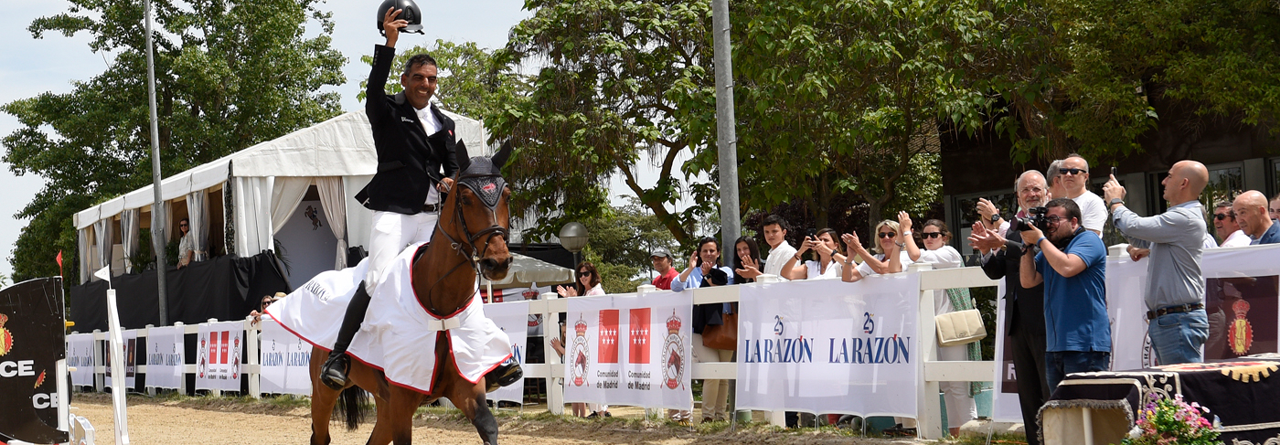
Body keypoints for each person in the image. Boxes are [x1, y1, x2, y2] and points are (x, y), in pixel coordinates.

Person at [320, 8, 519, 391]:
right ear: (406, 80)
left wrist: (450, 179)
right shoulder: (387, 110)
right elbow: (373, 88)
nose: (425, 85)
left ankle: (491, 360)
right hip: (395, 213)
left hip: (432, 218)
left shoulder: (445, 124)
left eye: (431, 79)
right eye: (418, 78)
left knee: (464, 281)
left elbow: (450, 165)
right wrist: (389, 43)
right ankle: (339, 356)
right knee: (378, 279)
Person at [969, 170, 1050, 445]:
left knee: (1050, 390)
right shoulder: (1014, 226)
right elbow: (997, 272)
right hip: (1017, 321)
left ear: (1047, 192)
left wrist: (1000, 235)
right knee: (1028, 395)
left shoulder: (1052, 221)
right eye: (1026, 190)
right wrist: (986, 250)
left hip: (1046, 318)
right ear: (1018, 196)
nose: (1032, 194)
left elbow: (1040, 252)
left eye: (1037, 189)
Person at [1104, 160, 1209, 365]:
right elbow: (1139, 235)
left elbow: (1134, 226)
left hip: (1177, 319)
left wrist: (1116, 202)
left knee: (1182, 389)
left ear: (1183, 183)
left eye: (1169, 176)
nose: (1163, 181)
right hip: (1173, 319)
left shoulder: (1184, 217)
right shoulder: (1181, 217)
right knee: (1177, 389)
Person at [1018, 198, 1110, 390]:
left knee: (1087, 412)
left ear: (1074, 222)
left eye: (1054, 220)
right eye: (1046, 221)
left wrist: (1041, 240)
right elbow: (1028, 281)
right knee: (1062, 416)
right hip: (1055, 347)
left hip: (1085, 347)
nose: (1049, 226)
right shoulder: (1052, 248)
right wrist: (1027, 246)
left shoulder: (1088, 240)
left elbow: (1068, 267)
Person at [900, 213, 977, 437]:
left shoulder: (949, 253)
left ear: (945, 237)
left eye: (934, 235)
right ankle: (955, 434)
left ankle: (970, 433)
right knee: (945, 385)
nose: (929, 238)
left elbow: (914, 255)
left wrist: (906, 231)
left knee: (959, 383)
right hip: (931, 325)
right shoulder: (924, 254)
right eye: (924, 236)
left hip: (952, 324)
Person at [671, 237, 734, 424]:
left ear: (718, 253)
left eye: (712, 250)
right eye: (705, 250)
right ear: (699, 253)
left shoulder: (725, 271)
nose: (708, 254)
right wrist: (691, 268)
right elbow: (675, 286)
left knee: (722, 375)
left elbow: (723, 288)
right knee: (712, 370)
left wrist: (707, 275)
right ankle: (707, 416)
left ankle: (720, 416)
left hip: (723, 325)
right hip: (698, 328)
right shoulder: (691, 273)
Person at [552, 262, 607, 417]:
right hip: (584, 340)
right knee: (586, 374)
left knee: (593, 375)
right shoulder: (586, 293)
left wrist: (574, 300)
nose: (583, 277)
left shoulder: (597, 292)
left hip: (594, 338)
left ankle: (601, 411)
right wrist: (571, 300)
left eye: (586, 274)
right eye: (580, 275)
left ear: (593, 274)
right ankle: (596, 411)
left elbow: (591, 315)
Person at [841, 220, 910, 283]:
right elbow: (847, 278)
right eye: (882, 235)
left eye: (891, 234)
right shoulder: (877, 258)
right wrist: (850, 258)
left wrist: (858, 248)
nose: (886, 238)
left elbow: (882, 269)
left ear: (900, 237)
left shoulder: (905, 256)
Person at [1058, 155, 1107, 235]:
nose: (1068, 174)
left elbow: (1090, 237)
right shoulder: (1060, 203)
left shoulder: (1093, 202)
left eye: (1074, 171)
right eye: (1063, 171)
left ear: (1086, 176)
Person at [780, 228, 846, 280]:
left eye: (826, 240)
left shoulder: (839, 265)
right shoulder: (810, 266)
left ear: (836, 245)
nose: (821, 243)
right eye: (819, 240)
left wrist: (826, 249)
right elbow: (786, 274)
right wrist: (801, 251)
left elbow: (851, 264)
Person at [751, 215, 797, 280]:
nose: (770, 235)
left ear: (784, 232)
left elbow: (786, 282)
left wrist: (757, 274)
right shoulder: (770, 256)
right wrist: (755, 276)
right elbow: (766, 287)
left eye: (774, 231)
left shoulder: (790, 252)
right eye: (767, 232)